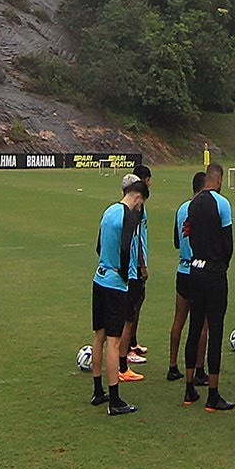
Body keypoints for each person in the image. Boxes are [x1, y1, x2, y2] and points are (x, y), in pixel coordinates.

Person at [89, 176, 150, 416]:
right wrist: (125, 275)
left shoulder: (108, 211)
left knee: (99, 336)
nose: (139, 207)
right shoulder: (128, 215)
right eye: (140, 202)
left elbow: (98, 247)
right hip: (115, 284)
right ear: (136, 197)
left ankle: (97, 391)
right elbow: (126, 248)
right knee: (114, 341)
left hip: (99, 278)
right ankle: (115, 400)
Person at [183, 163, 235, 410]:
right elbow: (228, 242)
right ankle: (213, 393)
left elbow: (190, 237)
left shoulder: (193, 204)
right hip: (214, 271)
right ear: (219, 179)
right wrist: (221, 264)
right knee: (215, 330)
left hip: (195, 267)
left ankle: (189, 387)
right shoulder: (221, 203)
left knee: (194, 327)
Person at [167, 171, 210, 384]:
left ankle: (172, 365)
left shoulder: (181, 209)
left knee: (179, 320)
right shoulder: (204, 208)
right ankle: (199, 369)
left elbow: (177, 241)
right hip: (198, 270)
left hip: (181, 270)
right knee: (202, 323)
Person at [119, 165, 152, 380]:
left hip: (128, 269)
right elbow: (132, 242)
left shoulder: (117, 211)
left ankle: (127, 350)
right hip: (131, 271)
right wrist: (141, 265)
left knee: (130, 311)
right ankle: (123, 363)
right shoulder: (133, 212)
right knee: (127, 316)